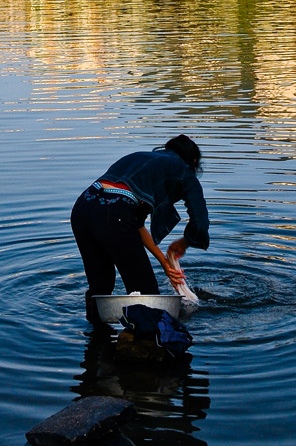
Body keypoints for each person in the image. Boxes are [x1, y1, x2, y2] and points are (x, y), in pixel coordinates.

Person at [70, 134, 209, 323]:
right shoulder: (183, 170)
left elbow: (134, 223)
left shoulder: (139, 158)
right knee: (146, 296)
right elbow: (200, 222)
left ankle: (96, 341)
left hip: (83, 207)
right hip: (115, 214)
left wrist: (165, 263)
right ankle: (147, 345)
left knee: (100, 289)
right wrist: (186, 242)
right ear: (193, 161)